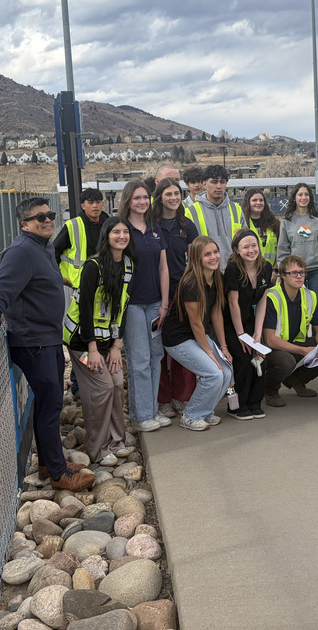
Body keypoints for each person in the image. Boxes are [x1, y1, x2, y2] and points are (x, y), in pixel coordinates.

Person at [0, 197, 94, 491]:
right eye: (39, 217)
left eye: (50, 214)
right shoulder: (21, 251)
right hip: (33, 342)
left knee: (49, 403)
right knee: (50, 404)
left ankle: (49, 463)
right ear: (25, 224)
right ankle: (58, 474)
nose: (47, 220)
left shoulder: (43, 247)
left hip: (48, 339)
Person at [63, 217, 135, 466]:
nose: (122, 236)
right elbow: (84, 309)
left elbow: (122, 309)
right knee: (102, 388)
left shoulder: (127, 265)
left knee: (116, 384)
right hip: (82, 343)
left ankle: (116, 441)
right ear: (107, 235)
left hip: (106, 343)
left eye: (126, 232)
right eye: (116, 231)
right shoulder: (93, 266)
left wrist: (116, 346)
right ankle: (98, 448)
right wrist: (92, 349)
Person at [161, 237, 233, 431]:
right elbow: (195, 323)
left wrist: (223, 347)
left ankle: (205, 412)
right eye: (207, 254)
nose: (213, 257)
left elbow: (216, 313)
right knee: (213, 373)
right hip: (178, 338)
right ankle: (191, 415)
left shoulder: (217, 277)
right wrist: (210, 354)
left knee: (226, 372)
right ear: (197, 258)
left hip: (196, 335)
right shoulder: (191, 283)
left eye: (215, 252)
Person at [117, 180, 171, 432]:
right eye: (137, 197)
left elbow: (163, 268)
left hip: (154, 304)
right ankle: (140, 416)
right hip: (132, 305)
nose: (141, 202)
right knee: (139, 360)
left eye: (145, 197)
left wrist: (164, 303)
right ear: (128, 200)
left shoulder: (155, 229)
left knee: (156, 356)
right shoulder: (121, 230)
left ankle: (151, 409)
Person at [151, 177, 200, 418]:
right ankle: (162, 400)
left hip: (181, 292)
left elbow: (195, 262)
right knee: (158, 348)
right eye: (168, 194)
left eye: (176, 194)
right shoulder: (150, 224)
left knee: (182, 346)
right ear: (159, 197)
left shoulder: (187, 225)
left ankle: (182, 397)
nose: (173, 198)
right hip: (155, 293)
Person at [262, 255, 318, 407]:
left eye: (302, 272)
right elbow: (270, 340)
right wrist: (304, 350)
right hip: (271, 348)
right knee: (286, 361)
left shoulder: (310, 296)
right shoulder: (272, 297)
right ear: (283, 276)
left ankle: (296, 380)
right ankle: (270, 391)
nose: (299, 276)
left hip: (295, 343)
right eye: (294, 273)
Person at [223, 228, 274, 419]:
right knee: (243, 360)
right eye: (246, 247)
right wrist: (241, 335)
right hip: (232, 322)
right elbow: (232, 304)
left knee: (260, 357)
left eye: (254, 245)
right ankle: (237, 406)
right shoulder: (233, 270)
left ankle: (255, 402)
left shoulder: (266, 268)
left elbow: (262, 301)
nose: (251, 250)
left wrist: (257, 333)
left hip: (251, 321)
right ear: (237, 249)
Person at [276, 182, 318, 308]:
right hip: (294, 272)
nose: (303, 197)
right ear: (294, 198)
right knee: (295, 308)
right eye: (300, 194)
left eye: (306, 194)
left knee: (315, 309)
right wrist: (283, 271)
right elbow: (283, 249)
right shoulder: (287, 221)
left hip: (315, 271)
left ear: (310, 198)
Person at [184, 164, 246, 271]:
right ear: (204, 184)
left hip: (234, 272)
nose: (218, 186)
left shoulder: (236, 209)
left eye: (222, 182)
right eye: (214, 182)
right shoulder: (190, 212)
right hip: (205, 274)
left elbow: (244, 241)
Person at [52, 187, 108, 288]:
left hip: (107, 281)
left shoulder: (110, 225)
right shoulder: (72, 226)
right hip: (80, 283)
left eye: (98, 202)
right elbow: (54, 251)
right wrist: (58, 275)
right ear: (83, 206)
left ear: (102, 204)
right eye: (90, 202)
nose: (95, 206)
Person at [242, 188, 280, 266]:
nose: (258, 203)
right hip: (248, 269)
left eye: (261, 200)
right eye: (254, 200)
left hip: (270, 272)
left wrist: (275, 270)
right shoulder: (243, 224)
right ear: (248, 203)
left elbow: (280, 248)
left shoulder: (274, 224)